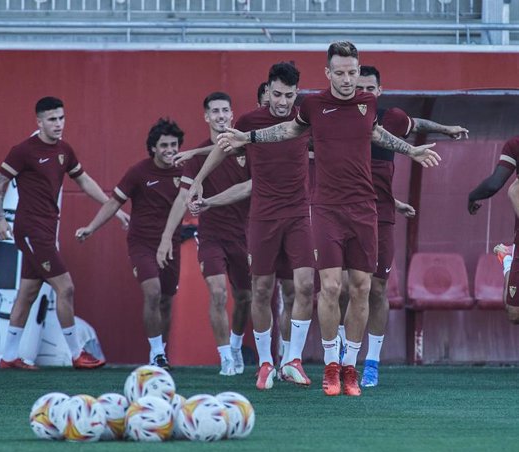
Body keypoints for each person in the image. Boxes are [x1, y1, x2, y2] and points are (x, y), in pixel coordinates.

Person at [217, 41, 441, 397]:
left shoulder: (367, 104)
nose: (348, 79)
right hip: (326, 209)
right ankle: (331, 364)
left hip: (364, 208)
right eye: (340, 72)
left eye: (353, 71)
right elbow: (289, 130)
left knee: (362, 289)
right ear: (328, 73)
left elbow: (376, 133)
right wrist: (249, 137)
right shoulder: (313, 105)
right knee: (331, 288)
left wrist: (411, 149)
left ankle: (352, 367)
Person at [187, 62, 316, 391]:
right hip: (262, 217)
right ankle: (265, 363)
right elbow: (222, 148)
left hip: (299, 214)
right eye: (276, 94)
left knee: (303, 287)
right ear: (266, 92)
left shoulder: (306, 120)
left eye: (289, 95)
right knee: (261, 290)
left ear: (296, 93)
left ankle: (292, 360)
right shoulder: (248, 122)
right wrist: (199, 180)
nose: (282, 101)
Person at [339, 65, 468, 388]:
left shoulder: (391, 118)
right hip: (342, 213)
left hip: (380, 214)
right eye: (359, 88)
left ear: (379, 91)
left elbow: (416, 123)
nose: (364, 93)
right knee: (343, 287)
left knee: (377, 288)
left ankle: (371, 363)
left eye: (370, 88)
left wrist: (445, 129)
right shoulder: (336, 119)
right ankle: (342, 358)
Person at [0, 96, 128, 370]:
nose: (58, 124)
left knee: (27, 294)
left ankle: (8, 357)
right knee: (66, 288)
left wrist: (114, 208)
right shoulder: (24, 150)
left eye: (61, 118)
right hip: (31, 231)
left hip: (45, 231)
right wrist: (0, 220)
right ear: (39, 122)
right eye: (52, 119)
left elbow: (84, 181)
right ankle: (77, 355)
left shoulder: (65, 150)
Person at [76, 118, 185, 370]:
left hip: (171, 245)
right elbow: (114, 202)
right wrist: (91, 228)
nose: (170, 150)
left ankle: (161, 354)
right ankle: (156, 352)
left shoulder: (185, 171)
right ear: (153, 148)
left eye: (174, 145)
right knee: (153, 291)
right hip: (142, 244)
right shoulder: (139, 172)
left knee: (166, 300)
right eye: (164, 145)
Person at [156, 92, 251, 376]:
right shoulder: (196, 159)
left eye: (225, 110)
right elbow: (181, 198)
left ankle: (235, 344)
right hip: (211, 236)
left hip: (245, 235)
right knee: (218, 294)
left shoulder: (246, 147)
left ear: (232, 114)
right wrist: (165, 238)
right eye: (215, 111)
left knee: (245, 296)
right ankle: (225, 358)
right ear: (206, 117)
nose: (221, 116)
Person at [471, 136, 519, 323]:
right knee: (514, 313)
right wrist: (473, 196)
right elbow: (513, 190)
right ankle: (508, 260)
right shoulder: (515, 144)